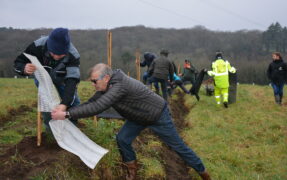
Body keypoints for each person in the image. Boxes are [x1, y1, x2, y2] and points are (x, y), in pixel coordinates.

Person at [51, 63, 211, 180]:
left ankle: (203, 173)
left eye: (94, 81)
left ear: (106, 78)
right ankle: (132, 171)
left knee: (177, 146)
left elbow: (98, 107)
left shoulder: (118, 86)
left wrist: (67, 115)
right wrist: (66, 111)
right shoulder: (107, 86)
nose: (93, 84)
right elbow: (91, 103)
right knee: (122, 139)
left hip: (157, 115)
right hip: (138, 117)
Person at [14, 28, 81, 132]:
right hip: (42, 79)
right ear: (48, 46)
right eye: (53, 53)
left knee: (74, 102)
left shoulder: (73, 55)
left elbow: (72, 81)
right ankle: (51, 132)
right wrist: (24, 68)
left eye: (61, 54)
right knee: (47, 104)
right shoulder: (36, 46)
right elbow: (18, 62)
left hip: (63, 79)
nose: (56, 57)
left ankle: (71, 131)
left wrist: (64, 104)